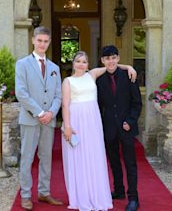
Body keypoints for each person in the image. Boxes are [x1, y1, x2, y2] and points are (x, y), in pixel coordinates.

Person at [61, 51, 137, 211]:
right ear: (73, 63)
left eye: (84, 62)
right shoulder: (67, 81)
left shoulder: (93, 75)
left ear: (88, 64)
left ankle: (96, 192)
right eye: (78, 61)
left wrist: (129, 66)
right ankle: (83, 195)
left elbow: (112, 66)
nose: (81, 64)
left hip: (93, 123)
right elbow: (65, 105)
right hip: (76, 121)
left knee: (94, 156)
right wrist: (67, 126)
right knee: (80, 157)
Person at [15, 26, 63, 210]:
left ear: (49, 43)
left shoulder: (55, 68)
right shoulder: (22, 64)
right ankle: (26, 195)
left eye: (46, 41)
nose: (42, 44)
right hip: (30, 119)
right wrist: (40, 112)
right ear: (33, 40)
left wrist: (51, 112)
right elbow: (21, 92)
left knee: (46, 157)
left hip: (49, 120)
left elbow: (58, 95)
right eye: (39, 40)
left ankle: (44, 192)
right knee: (27, 158)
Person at [96, 45, 142, 211]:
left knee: (130, 163)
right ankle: (119, 190)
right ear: (102, 60)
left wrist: (130, 121)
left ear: (118, 58)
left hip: (127, 127)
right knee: (114, 161)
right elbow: (98, 105)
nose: (111, 61)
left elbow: (137, 103)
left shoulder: (129, 76)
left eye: (114, 57)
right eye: (107, 58)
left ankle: (133, 198)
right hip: (108, 127)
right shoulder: (98, 80)